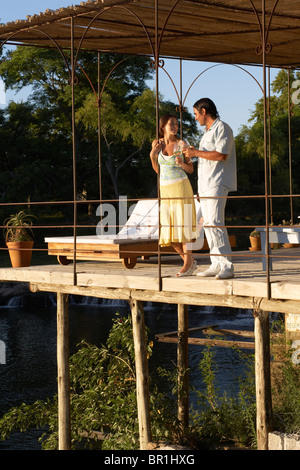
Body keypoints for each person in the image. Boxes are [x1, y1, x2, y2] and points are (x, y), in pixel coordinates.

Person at [184, 98, 237, 279]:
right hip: (206, 185)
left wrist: (194, 153)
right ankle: (216, 264)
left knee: (215, 222)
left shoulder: (222, 128)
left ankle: (227, 266)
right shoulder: (206, 132)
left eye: (196, 114)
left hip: (218, 182)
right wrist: (199, 189)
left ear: (204, 111)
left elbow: (221, 155)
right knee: (208, 224)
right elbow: (205, 161)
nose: (196, 118)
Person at [150, 114, 198, 277]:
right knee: (169, 232)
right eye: (172, 124)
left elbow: (191, 169)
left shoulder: (182, 144)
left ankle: (187, 264)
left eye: (177, 124)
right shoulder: (157, 144)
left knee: (183, 228)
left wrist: (182, 163)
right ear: (163, 126)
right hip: (165, 190)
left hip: (181, 188)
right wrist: (153, 155)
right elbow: (158, 170)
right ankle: (189, 262)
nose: (175, 126)